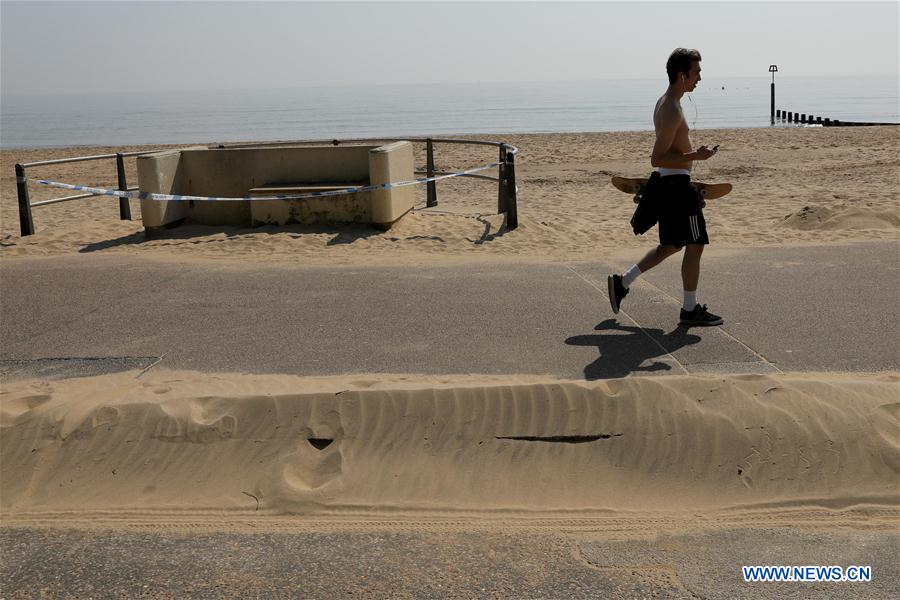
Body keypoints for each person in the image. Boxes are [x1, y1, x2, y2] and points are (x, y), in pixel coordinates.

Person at [608, 48, 723, 326]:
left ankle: (623, 282)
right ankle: (689, 310)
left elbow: (667, 152)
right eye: (696, 72)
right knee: (696, 244)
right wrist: (696, 156)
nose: (700, 78)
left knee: (672, 244)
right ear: (682, 75)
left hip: (670, 182)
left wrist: (690, 156)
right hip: (677, 187)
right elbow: (657, 157)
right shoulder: (671, 109)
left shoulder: (666, 101)